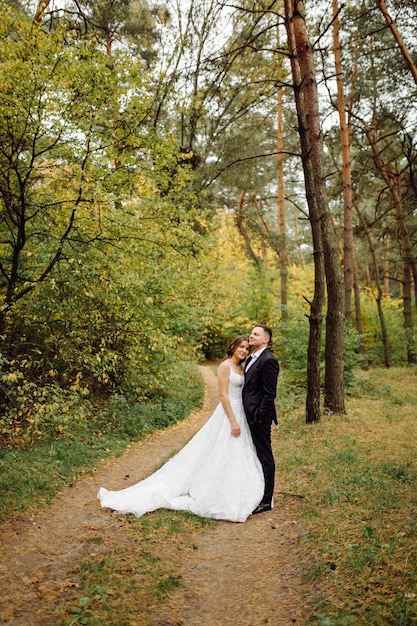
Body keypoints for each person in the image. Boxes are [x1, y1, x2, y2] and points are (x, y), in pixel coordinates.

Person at [98, 336, 264, 523]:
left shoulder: (242, 368)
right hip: (229, 413)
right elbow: (222, 395)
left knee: (236, 451)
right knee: (221, 446)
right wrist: (233, 421)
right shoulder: (225, 366)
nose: (244, 350)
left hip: (241, 411)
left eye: (246, 348)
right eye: (241, 347)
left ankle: (235, 488)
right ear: (233, 347)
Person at [242, 324, 279, 515]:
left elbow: (269, 394)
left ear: (266, 339)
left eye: (256, 334)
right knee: (254, 454)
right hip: (248, 415)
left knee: (265, 455)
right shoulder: (250, 358)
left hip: (258, 417)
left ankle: (267, 500)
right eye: (251, 333)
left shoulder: (268, 360)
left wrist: (260, 416)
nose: (251, 336)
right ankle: (256, 491)